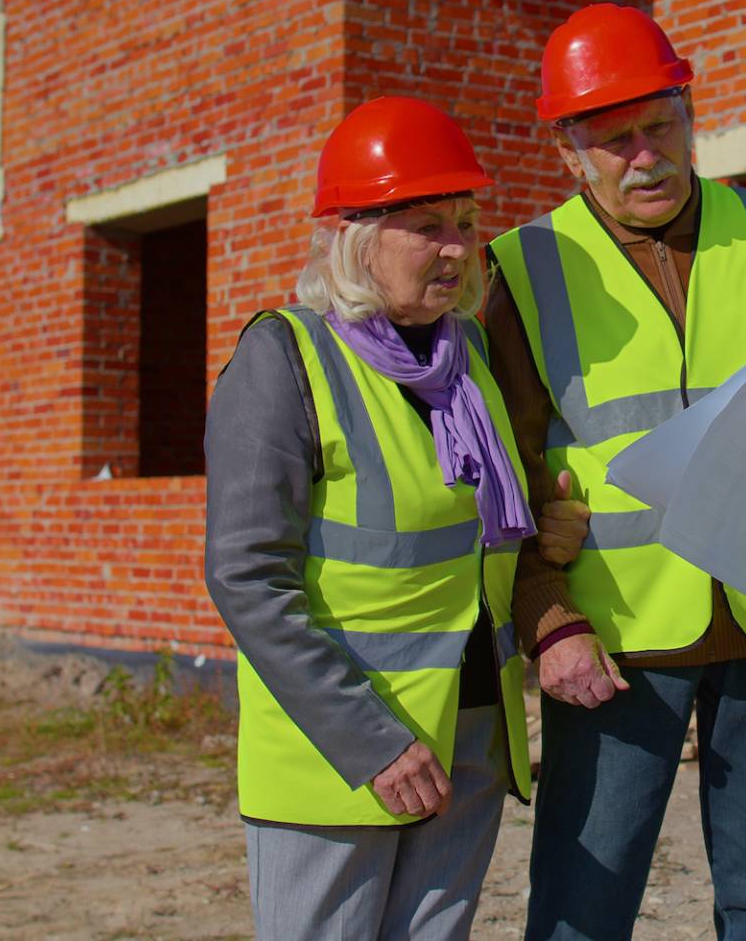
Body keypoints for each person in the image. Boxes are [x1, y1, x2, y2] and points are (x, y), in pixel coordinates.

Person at [483, 3, 746, 941]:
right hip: (617, 640)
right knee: (584, 910)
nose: (645, 156)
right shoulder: (527, 267)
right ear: (568, 152)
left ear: (689, 112)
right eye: (614, 139)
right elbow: (505, 474)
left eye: (660, 126)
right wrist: (549, 619)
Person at [204, 96, 590, 941]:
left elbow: (476, 531)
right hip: (342, 750)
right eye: (427, 226)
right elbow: (245, 576)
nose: (458, 247)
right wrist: (368, 740)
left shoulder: (468, 357)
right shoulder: (284, 359)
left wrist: (540, 534)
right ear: (353, 236)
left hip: (471, 729)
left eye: (464, 221)